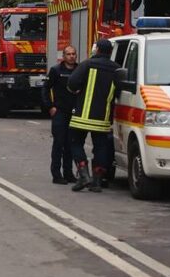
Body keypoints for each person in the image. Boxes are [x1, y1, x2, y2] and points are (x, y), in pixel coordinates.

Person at [67, 39, 119, 193]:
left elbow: (72, 83)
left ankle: (83, 175)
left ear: (96, 50)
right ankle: (96, 181)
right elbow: (119, 92)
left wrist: (75, 91)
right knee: (101, 147)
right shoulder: (116, 69)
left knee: (75, 143)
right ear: (110, 52)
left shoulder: (87, 64)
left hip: (82, 115)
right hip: (103, 118)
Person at [42, 45, 79, 185]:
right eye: (68, 54)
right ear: (63, 56)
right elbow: (45, 88)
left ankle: (68, 173)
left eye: (73, 54)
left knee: (71, 144)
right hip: (60, 112)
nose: (71, 56)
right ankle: (56, 175)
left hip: (74, 113)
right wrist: (50, 107)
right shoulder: (56, 70)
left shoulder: (79, 70)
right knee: (59, 143)